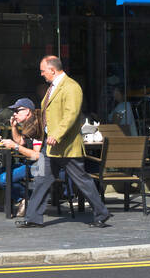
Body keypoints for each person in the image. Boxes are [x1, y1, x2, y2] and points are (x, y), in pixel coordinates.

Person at [18, 55, 111, 229]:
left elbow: (71, 114)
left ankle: (101, 213)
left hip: (65, 145)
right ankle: (33, 218)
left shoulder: (71, 87)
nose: (42, 74)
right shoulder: (52, 87)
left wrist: (57, 134)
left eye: (43, 71)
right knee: (41, 179)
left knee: (82, 180)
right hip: (50, 146)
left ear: (52, 70)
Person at [0, 98, 43, 218]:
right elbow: (20, 141)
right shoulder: (29, 124)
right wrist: (14, 127)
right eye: (14, 111)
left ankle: (28, 197)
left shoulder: (38, 127)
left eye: (17, 111)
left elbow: (37, 155)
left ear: (27, 111)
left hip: (39, 166)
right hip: (29, 164)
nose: (14, 114)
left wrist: (15, 147)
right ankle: (26, 197)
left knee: (3, 179)